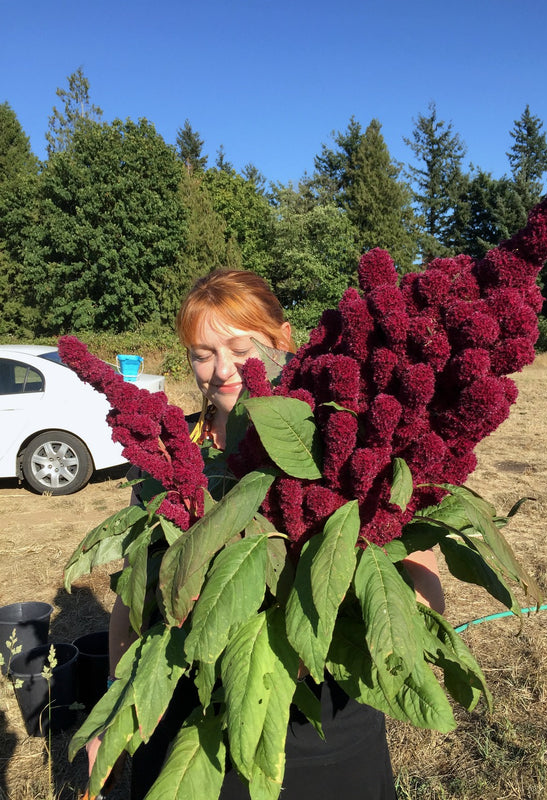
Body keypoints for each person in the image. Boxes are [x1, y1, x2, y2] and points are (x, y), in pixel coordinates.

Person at [88, 268, 445, 800]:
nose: (221, 368)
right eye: (201, 353)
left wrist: (366, 634)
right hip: (194, 711)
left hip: (324, 716)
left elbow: (419, 575)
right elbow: (134, 595)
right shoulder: (170, 453)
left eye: (239, 347)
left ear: (282, 342)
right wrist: (120, 700)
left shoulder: (334, 435)